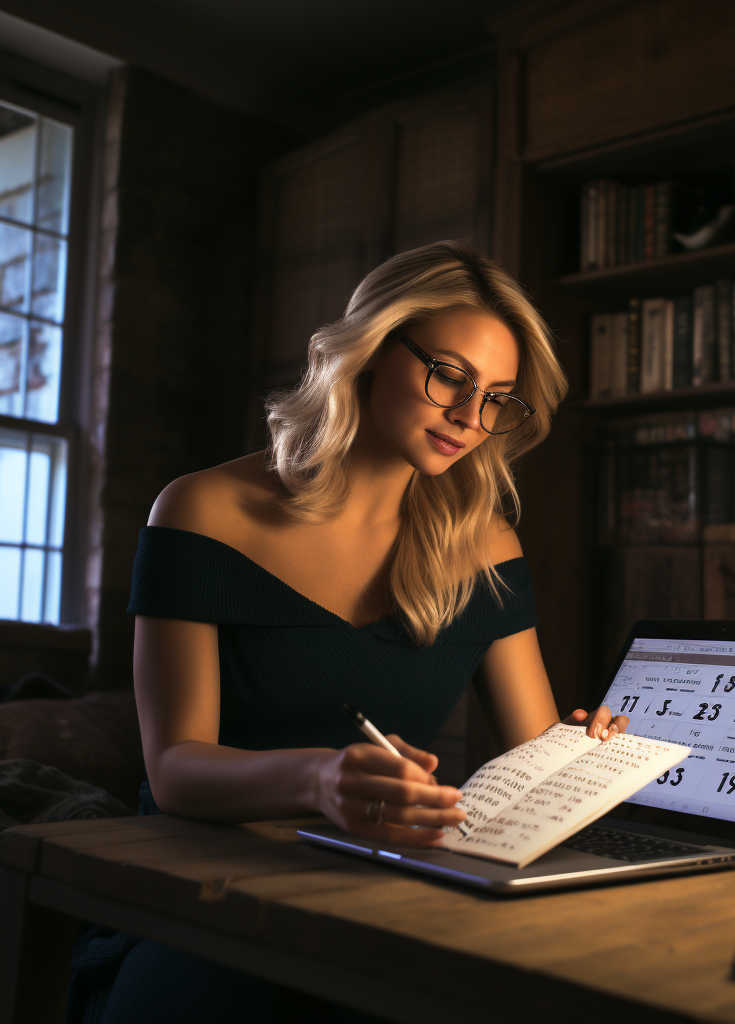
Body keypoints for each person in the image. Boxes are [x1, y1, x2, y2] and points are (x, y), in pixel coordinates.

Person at [70, 241, 628, 1023]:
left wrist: (584, 754)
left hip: (382, 895)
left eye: (498, 396)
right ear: (369, 352)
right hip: (196, 895)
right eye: (450, 376)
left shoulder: (488, 543)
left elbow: (533, 753)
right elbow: (173, 769)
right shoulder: (200, 511)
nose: (472, 417)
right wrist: (317, 780)